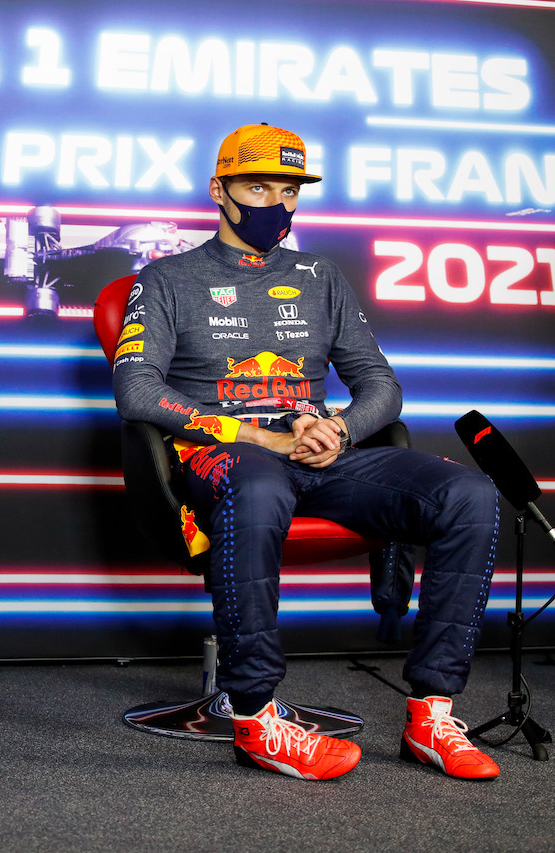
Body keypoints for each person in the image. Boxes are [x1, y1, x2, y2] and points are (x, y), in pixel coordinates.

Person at [111, 123, 501, 781]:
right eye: (257, 185)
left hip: (322, 455)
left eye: (287, 190)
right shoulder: (167, 278)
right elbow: (135, 389)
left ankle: (431, 713)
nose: (275, 203)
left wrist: (340, 429)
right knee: (259, 484)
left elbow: (382, 386)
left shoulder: (321, 276)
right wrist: (255, 434)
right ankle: (258, 717)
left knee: (469, 494)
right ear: (219, 189)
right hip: (228, 455)